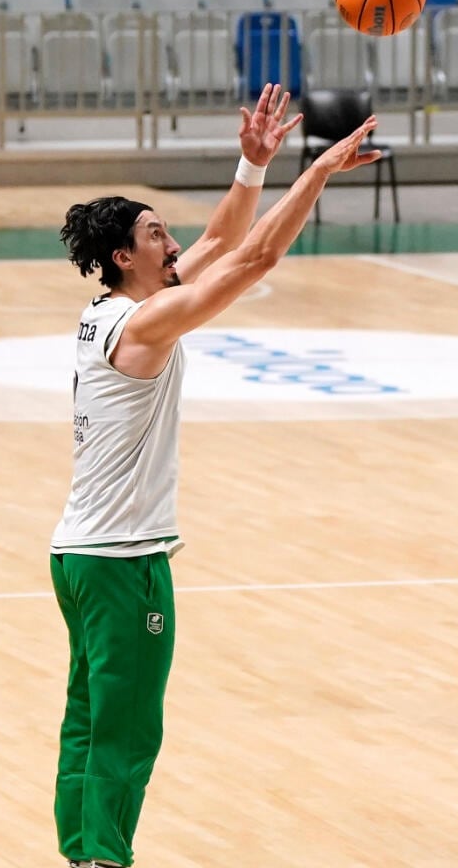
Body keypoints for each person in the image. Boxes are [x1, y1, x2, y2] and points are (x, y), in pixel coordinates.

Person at [48, 85, 380, 868]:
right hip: (125, 560)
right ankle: (103, 858)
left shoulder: (115, 307)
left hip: (78, 554)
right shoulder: (147, 322)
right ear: (125, 256)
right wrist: (318, 173)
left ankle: (80, 848)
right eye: (159, 235)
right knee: (128, 726)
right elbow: (256, 257)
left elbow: (225, 237)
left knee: (88, 718)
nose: (176, 244)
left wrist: (253, 164)